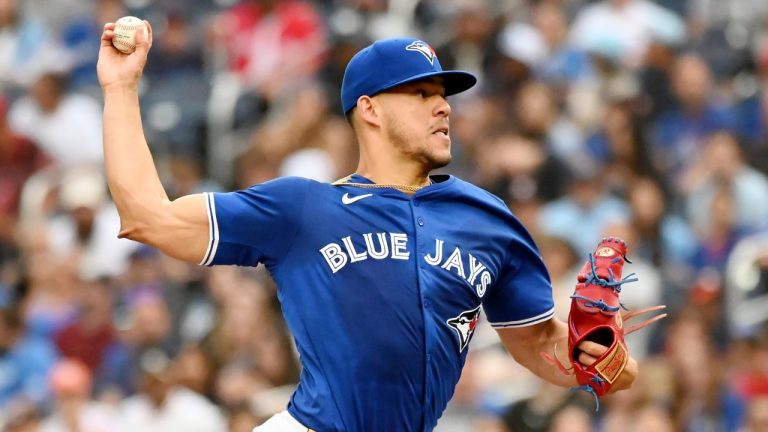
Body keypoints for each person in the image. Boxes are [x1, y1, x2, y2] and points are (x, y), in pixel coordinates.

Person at [97, 21, 638, 431]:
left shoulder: (488, 219)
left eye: (443, 96)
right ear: (371, 110)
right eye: (421, 94)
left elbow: (541, 347)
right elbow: (148, 216)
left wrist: (603, 362)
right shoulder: (303, 209)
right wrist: (121, 88)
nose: (442, 108)